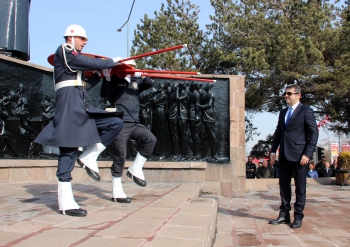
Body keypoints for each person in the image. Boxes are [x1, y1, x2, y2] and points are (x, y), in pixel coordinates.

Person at [34, 24, 123, 217]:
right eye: (82, 39)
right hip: (69, 112)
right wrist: (108, 62)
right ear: (71, 38)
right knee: (68, 152)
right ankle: (66, 203)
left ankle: (90, 156)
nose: (85, 42)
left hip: (81, 111)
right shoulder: (64, 52)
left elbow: (83, 87)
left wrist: (101, 76)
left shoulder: (73, 65)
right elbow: (86, 62)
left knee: (115, 123)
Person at [100, 59, 156, 203]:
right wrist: (107, 78)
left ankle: (135, 169)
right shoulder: (115, 80)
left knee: (150, 139)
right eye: (129, 67)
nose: (132, 69)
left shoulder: (135, 83)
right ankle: (116, 191)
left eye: (133, 67)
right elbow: (105, 94)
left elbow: (150, 84)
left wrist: (142, 75)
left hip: (135, 123)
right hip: (121, 123)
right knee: (120, 154)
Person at [268, 84, 318, 229]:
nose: (286, 96)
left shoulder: (306, 111)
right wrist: (273, 151)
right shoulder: (283, 113)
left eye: (289, 93)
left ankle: (298, 216)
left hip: (300, 157)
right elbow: (278, 133)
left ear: (298, 95)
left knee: (300, 188)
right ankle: (284, 214)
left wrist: (308, 154)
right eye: (286, 93)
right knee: (284, 186)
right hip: (283, 155)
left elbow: (314, 133)